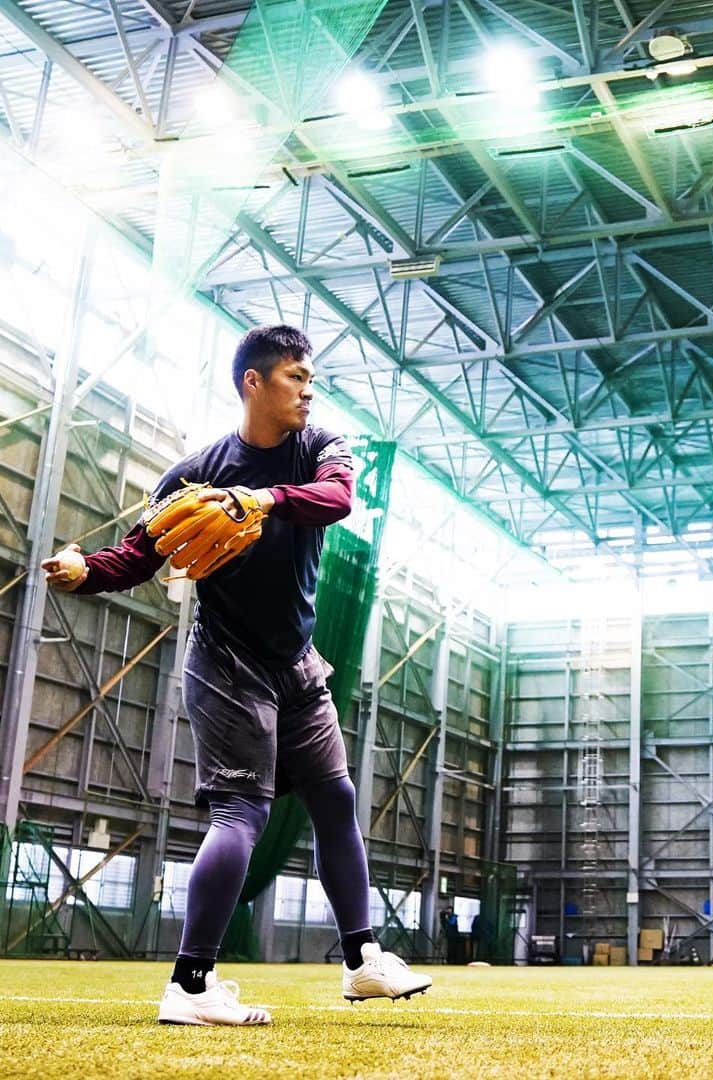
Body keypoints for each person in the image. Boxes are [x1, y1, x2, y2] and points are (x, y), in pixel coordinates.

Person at [41, 325, 431, 1025]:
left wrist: (264, 500)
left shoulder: (318, 447)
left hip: (298, 663)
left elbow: (338, 498)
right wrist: (80, 571)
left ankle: (362, 962)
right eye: (295, 377)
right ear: (253, 382)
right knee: (240, 814)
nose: (309, 390)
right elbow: (137, 556)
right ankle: (191, 986)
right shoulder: (196, 473)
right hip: (227, 663)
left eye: (311, 379)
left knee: (335, 799)